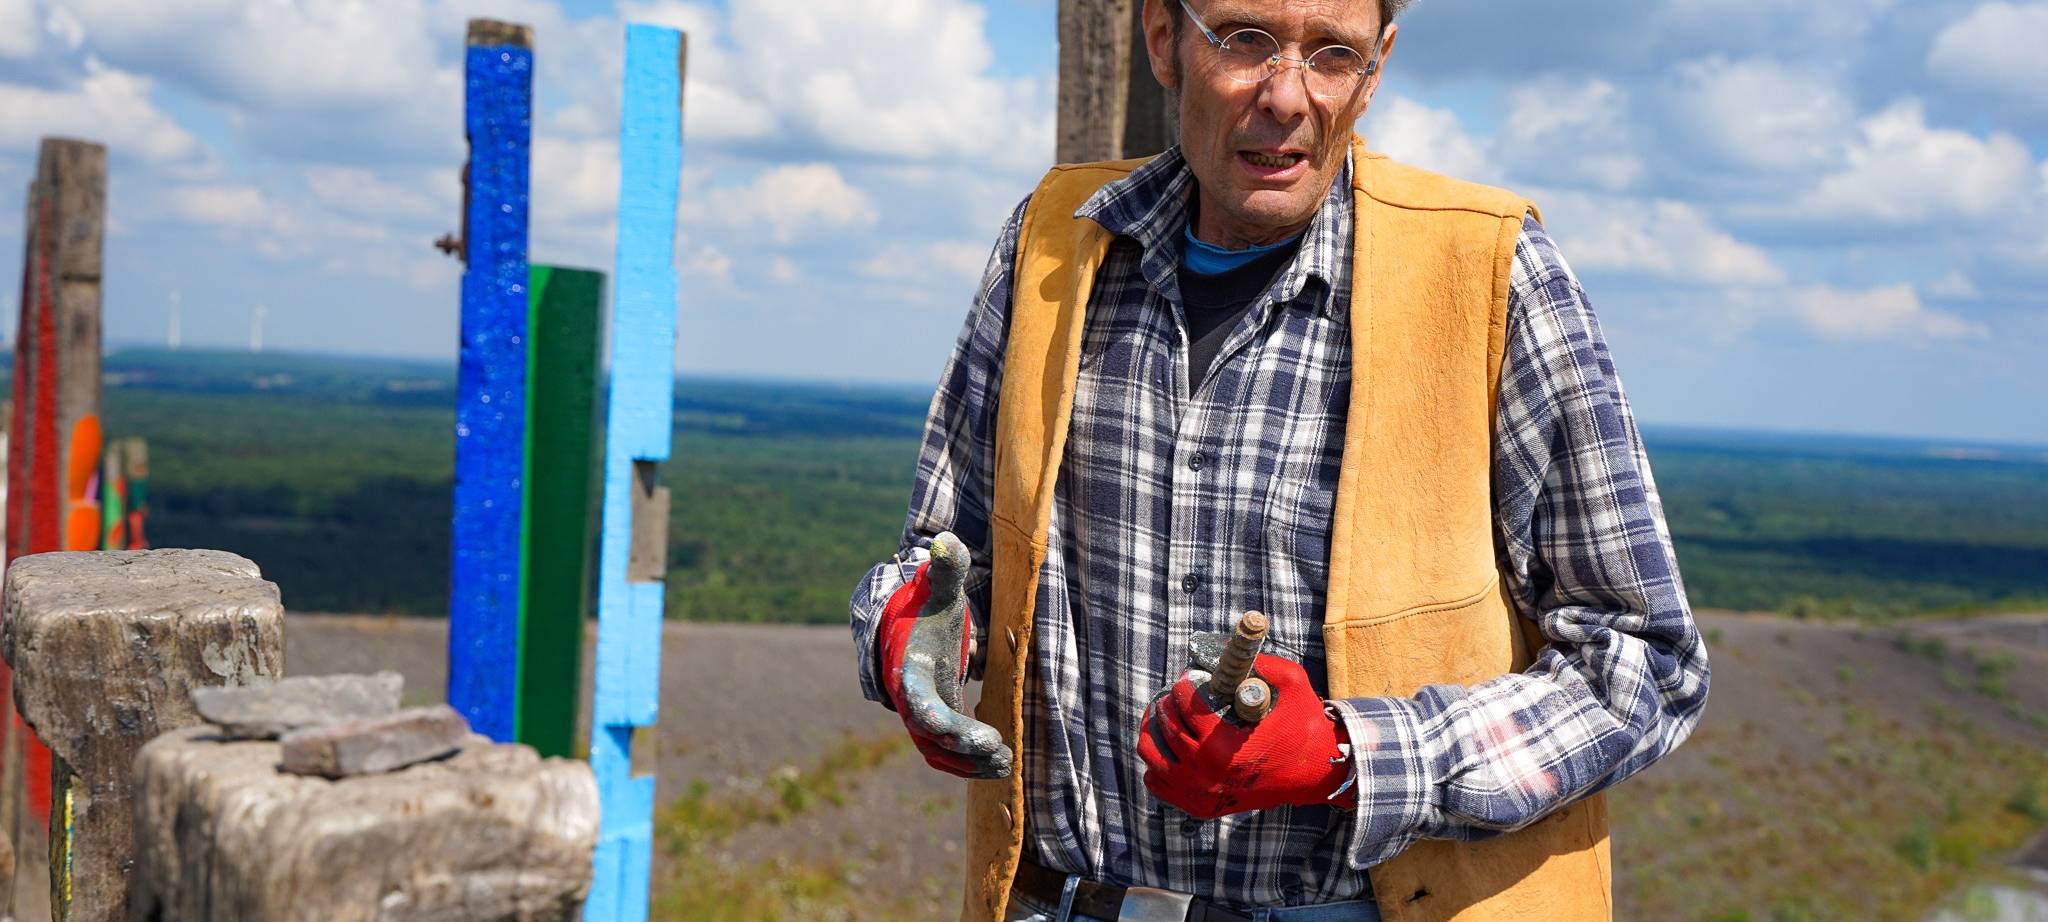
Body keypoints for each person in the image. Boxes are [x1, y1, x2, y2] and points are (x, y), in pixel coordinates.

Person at [849, 0, 1710, 919]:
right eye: (1246, 39)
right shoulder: (1053, 244)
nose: (1288, 97)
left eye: (1332, 54)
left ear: (1374, 72)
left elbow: (1644, 662)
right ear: (1162, 39)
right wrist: (912, 637)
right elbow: (947, 559)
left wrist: (1351, 756)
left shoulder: (1493, 276)